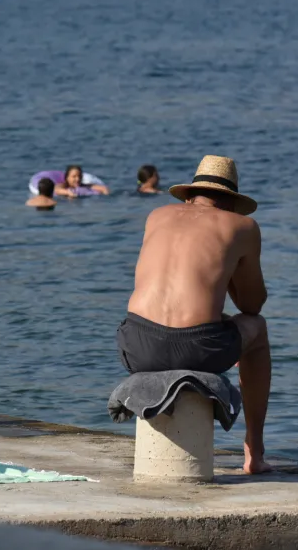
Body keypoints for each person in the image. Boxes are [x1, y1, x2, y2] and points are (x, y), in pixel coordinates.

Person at [117, 155, 271, 475]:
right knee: (257, 329)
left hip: (134, 344)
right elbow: (252, 306)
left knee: (214, 320)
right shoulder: (243, 226)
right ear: (231, 203)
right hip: (198, 348)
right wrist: (230, 269)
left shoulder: (156, 215)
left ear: (189, 195)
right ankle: (254, 450)